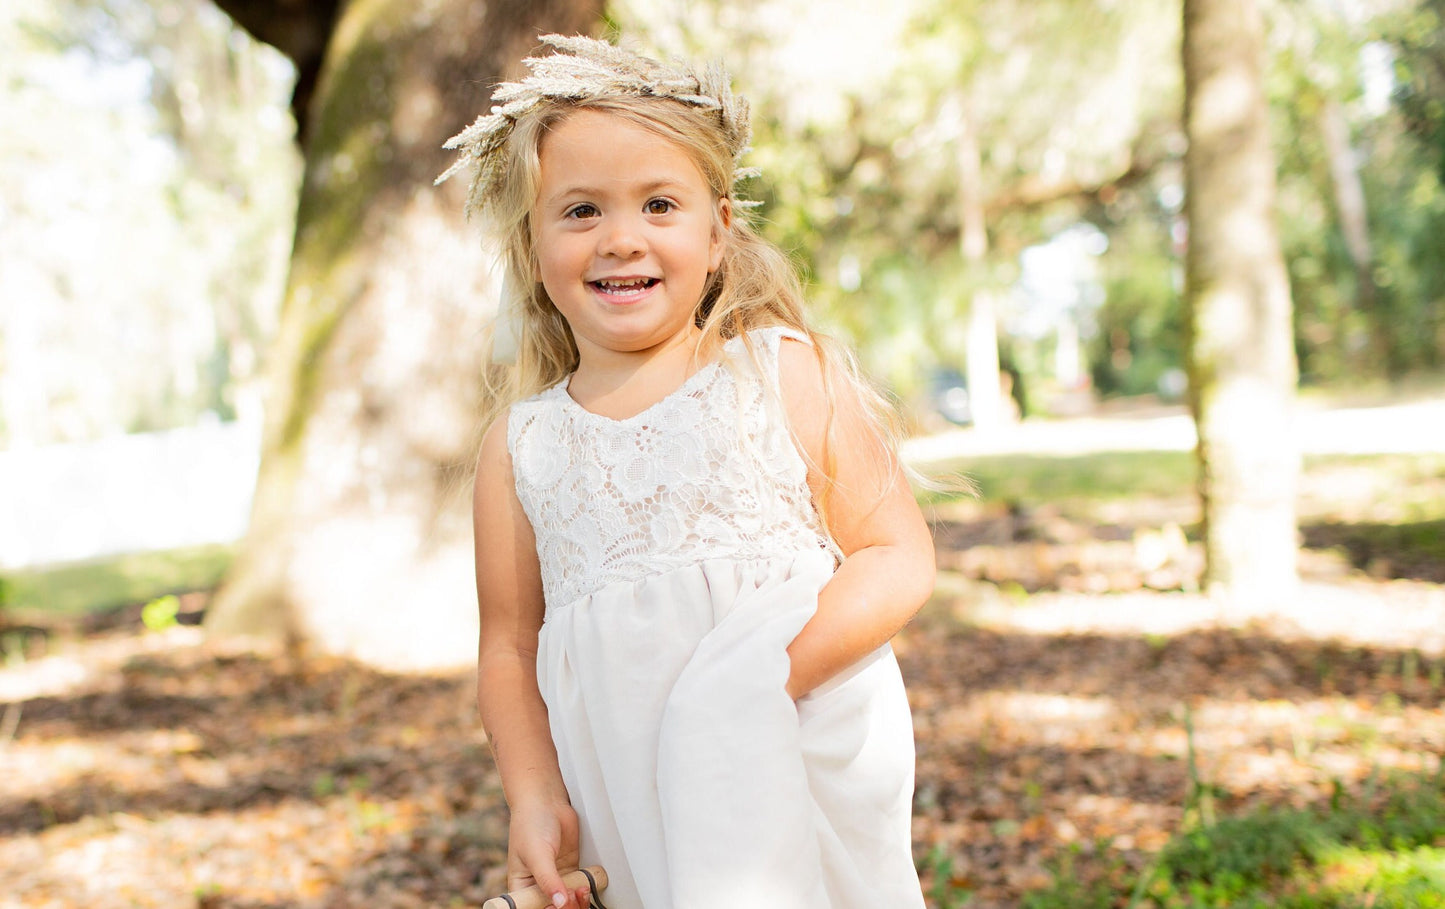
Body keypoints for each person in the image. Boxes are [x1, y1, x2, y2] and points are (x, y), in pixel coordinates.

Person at [439, 34, 936, 909]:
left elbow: (896, 555)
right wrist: (533, 794)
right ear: (531, 246)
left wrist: (761, 681)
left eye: (659, 205)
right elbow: (510, 647)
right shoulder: (522, 446)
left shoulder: (776, 373)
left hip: (784, 746)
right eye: (580, 211)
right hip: (627, 792)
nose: (620, 239)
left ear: (717, 233)